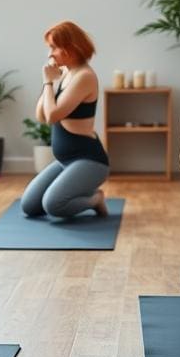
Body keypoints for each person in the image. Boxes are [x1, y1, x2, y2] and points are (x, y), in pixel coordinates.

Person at [20, 21, 109, 218]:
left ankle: (95, 199)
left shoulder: (85, 76)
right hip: (65, 161)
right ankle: (75, 186)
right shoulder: (68, 73)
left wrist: (48, 81)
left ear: (70, 47)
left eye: (53, 47)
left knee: (53, 205)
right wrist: (49, 82)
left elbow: (52, 115)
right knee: (29, 206)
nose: (50, 54)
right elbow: (41, 115)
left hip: (90, 161)